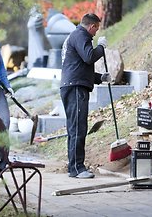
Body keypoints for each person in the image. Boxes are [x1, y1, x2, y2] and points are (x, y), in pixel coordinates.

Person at [60, 13, 111, 179]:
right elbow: (89, 57)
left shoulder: (76, 36)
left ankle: (74, 166)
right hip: (75, 88)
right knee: (78, 128)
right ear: (92, 26)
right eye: (96, 29)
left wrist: (100, 78)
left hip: (73, 85)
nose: (96, 33)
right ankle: (77, 168)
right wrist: (101, 47)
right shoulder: (81, 36)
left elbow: (80, 67)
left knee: (75, 127)